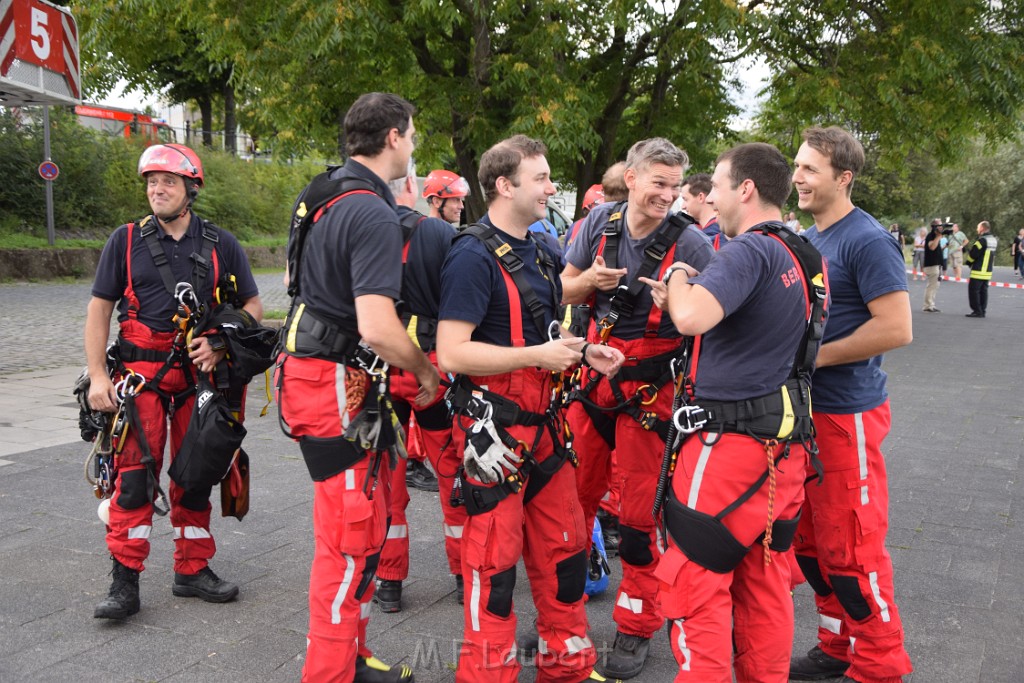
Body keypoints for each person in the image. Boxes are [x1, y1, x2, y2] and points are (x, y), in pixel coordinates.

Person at [436, 134, 624, 683]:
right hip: (495, 430)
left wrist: (583, 348)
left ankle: (566, 666)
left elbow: (544, 320)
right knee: (493, 569)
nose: (550, 187)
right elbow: (451, 349)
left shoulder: (541, 248)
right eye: (540, 178)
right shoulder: (472, 254)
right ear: (504, 184)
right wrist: (538, 355)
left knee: (565, 555)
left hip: (547, 427)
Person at [277, 92, 439, 683]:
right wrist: (423, 370)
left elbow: (304, 284)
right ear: (395, 136)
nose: (414, 145)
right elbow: (376, 325)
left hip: (317, 374)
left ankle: (352, 656)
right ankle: (328, 674)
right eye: (413, 134)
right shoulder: (371, 211)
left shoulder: (321, 192)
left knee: (362, 525)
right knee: (348, 538)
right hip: (332, 381)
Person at [653, 142, 827, 682]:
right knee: (765, 586)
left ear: (745, 189)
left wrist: (681, 276)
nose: (710, 202)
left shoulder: (748, 250)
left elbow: (689, 318)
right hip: (784, 451)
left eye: (718, 189)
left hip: (727, 452)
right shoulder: (807, 256)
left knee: (694, 584)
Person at [85, 143, 262, 620]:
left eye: (166, 181)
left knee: (196, 475)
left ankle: (193, 569)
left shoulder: (221, 243)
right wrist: (99, 377)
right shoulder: (123, 242)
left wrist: (222, 344)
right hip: (139, 377)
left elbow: (252, 307)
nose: (156, 189)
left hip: (198, 377)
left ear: (191, 189)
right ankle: (125, 582)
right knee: (135, 480)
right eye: (150, 182)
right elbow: (99, 310)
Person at [561, 138, 715, 679]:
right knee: (569, 500)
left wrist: (677, 301)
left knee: (638, 516)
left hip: (652, 392)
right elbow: (564, 288)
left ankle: (636, 625)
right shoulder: (599, 222)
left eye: (676, 188)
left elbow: (716, 319)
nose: (668, 197)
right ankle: (564, 621)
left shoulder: (692, 243)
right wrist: (586, 284)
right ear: (630, 178)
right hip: (594, 378)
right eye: (659, 184)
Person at [790, 126, 914, 683]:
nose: (797, 177)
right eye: (797, 166)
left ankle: (880, 665)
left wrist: (814, 360)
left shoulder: (866, 239)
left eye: (810, 169)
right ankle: (838, 645)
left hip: (848, 416)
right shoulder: (810, 236)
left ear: (844, 177)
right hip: (806, 415)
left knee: (853, 546)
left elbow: (897, 328)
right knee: (813, 546)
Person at [373, 162, 461, 613]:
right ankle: (466, 572)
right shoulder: (443, 238)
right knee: (452, 469)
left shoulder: (365, 230)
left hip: (383, 369)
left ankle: (388, 581)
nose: (460, 207)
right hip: (432, 367)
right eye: (456, 200)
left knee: (388, 477)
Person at [680, 172, 725, 248]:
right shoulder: (720, 230)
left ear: (701, 197)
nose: (683, 206)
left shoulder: (710, 238)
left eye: (686, 199)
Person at [964, 220, 998, 318]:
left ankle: (977, 311)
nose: (977, 229)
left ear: (982, 228)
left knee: (974, 291)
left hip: (978, 271)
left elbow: (973, 254)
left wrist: (968, 262)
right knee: (984, 291)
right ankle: (982, 311)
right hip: (988, 271)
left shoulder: (982, 240)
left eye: (978, 227)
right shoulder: (993, 240)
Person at [922, 219, 944, 312]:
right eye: (940, 225)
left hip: (937, 265)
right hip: (932, 265)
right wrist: (938, 237)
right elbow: (932, 247)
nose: (942, 227)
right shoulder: (931, 236)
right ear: (935, 226)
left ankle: (931, 304)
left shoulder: (935, 236)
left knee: (935, 286)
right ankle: (928, 305)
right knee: (931, 286)